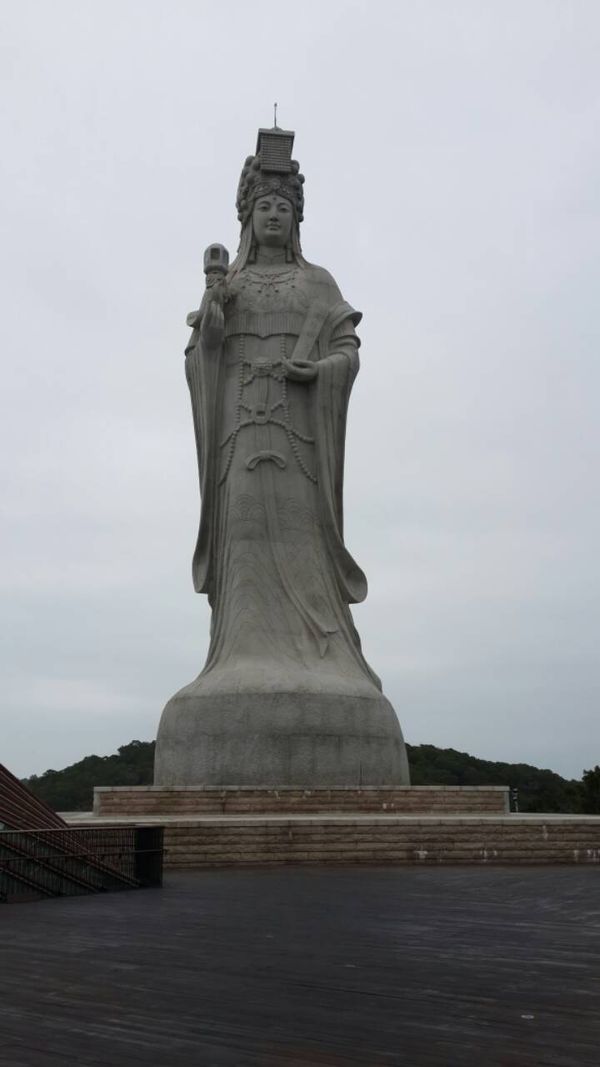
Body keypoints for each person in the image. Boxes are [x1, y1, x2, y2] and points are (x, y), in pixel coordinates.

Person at [155, 128, 409, 786]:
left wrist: (317, 371)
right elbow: (202, 359)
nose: (274, 216)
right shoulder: (231, 285)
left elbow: (348, 352)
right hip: (241, 436)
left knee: (301, 545)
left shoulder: (318, 284)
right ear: (247, 216)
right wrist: (213, 306)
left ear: (297, 218)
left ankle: (325, 658)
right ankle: (238, 660)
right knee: (244, 547)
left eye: (284, 207)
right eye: (264, 206)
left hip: (299, 442)